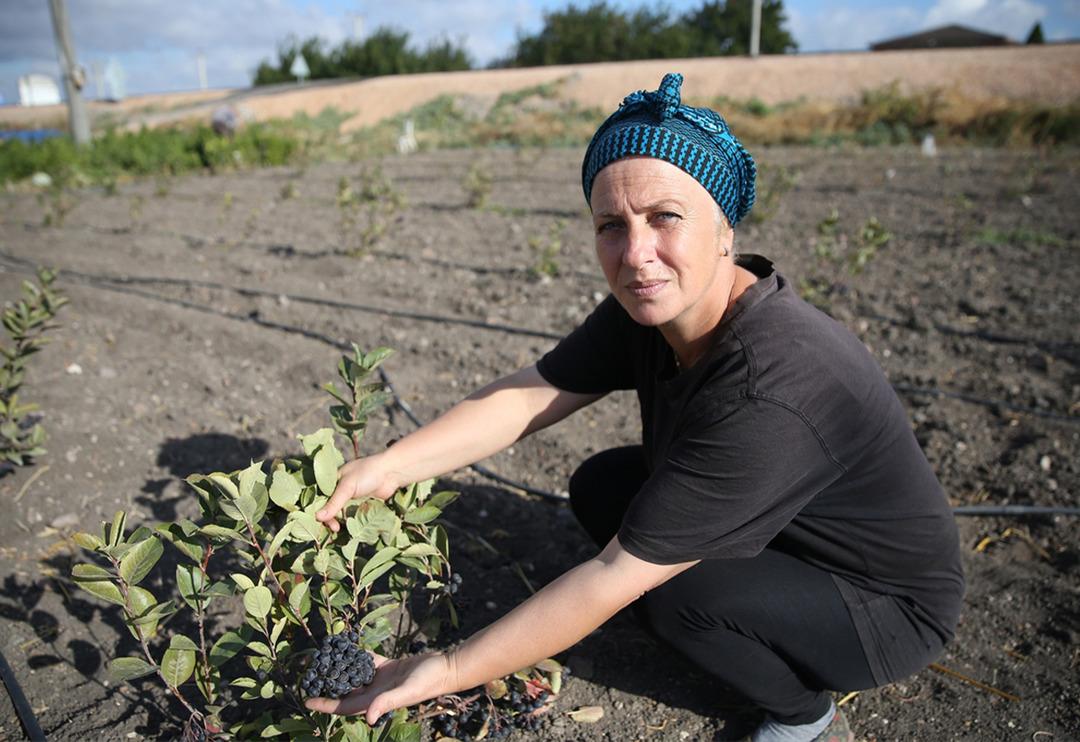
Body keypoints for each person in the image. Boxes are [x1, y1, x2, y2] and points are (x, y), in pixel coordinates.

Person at [307, 73, 965, 742]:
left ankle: (805, 716)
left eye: (664, 217)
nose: (636, 254)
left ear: (724, 229)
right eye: (611, 226)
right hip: (786, 531)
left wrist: (448, 667)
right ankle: (737, 606)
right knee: (603, 485)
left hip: (881, 608)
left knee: (674, 596)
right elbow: (533, 392)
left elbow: (613, 576)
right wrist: (391, 466)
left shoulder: (773, 383)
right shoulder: (653, 308)